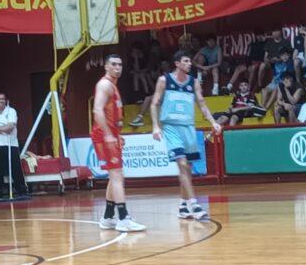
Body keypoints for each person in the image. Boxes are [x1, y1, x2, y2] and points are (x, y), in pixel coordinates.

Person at [152, 51, 223, 220]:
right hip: (171, 127)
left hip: (188, 128)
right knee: (183, 164)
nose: (190, 64)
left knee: (187, 169)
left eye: (190, 61)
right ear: (177, 63)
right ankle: (194, 204)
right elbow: (154, 103)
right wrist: (155, 126)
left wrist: (213, 122)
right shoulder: (164, 80)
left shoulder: (194, 82)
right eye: (186, 61)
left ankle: (182, 206)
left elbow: (202, 104)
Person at [92, 55, 146, 232]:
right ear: (106, 66)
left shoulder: (113, 86)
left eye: (120, 65)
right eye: (113, 64)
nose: (117, 67)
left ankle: (108, 217)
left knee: (114, 175)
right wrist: (108, 135)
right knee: (117, 175)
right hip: (103, 135)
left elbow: (111, 114)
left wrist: (116, 134)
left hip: (110, 134)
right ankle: (123, 218)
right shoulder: (104, 85)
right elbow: (97, 110)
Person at [0, 93, 29, 201]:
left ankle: (22, 191)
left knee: (15, 169)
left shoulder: (11, 111)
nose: (1, 101)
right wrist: (4, 128)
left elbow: (10, 128)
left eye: (3, 99)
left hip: (11, 144)